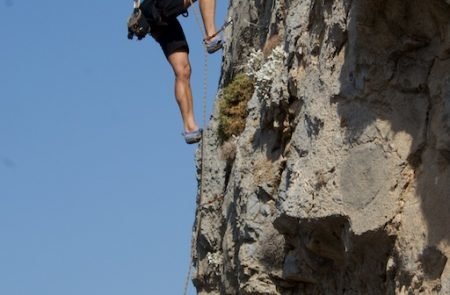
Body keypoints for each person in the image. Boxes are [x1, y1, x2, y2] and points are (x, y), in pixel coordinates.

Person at [142, 0, 223, 144]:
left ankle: (190, 128)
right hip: (155, 5)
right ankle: (211, 36)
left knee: (183, 71)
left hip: (149, 15)